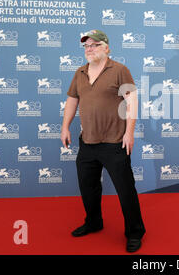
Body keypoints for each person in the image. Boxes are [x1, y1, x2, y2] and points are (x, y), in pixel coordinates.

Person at [61, 30, 145, 253]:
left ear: (107, 48)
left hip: (114, 142)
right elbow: (72, 100)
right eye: (86, 46)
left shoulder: (119, 70)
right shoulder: (80, 72)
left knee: (125, 190)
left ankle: (135, 232)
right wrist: (64, 127)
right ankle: (94, 222)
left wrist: (129, 133)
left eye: (95, 45)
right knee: (88, 188)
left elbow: (132, 101)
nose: (90, 49)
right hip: (87, 142)